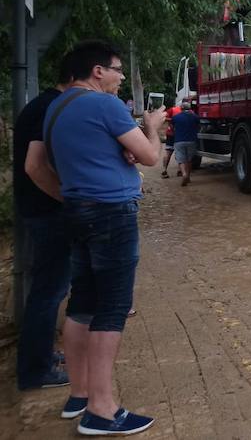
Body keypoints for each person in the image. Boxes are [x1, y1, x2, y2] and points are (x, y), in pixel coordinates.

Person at [45, 40, 165, 435]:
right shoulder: (105, 105)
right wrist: (152, 128)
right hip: (111, 214)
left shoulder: (56, 110)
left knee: (82, 303)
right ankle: (102, 410)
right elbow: (151, 157)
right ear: (98, 71)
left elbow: (65, 160)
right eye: (117, 70)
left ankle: (79, 394)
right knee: (112, 308)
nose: (120, 77)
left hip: (77, 211)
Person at [13, 60, 71, 391]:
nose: (119, 77)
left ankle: (42, 357)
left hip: (40, 210)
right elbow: (37, 167)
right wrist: (68, 199)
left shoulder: (44, 104)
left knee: (48, 288)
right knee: (48, 291)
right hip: (48, 212)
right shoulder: (52, 107)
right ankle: (35, 370)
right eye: (116, 69)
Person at [171, 100, 201, 186]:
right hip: (192, 141)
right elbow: (199, 127)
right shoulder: (195, 117)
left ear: (181, 108)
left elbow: (172, 127)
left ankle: (183, 174)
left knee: (181, 160)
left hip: (179, 141)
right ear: (190, 108)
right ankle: (188, 176)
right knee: (189, 160)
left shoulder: (175, 117)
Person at [160, 99, 182, 178]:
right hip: (180, 135)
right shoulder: (188, 111)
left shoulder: (172, 110)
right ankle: (180, 171)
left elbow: (164, 118)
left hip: (170, 134)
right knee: (180, 153)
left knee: (168, 152)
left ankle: (164, 170)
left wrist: (172, 121)